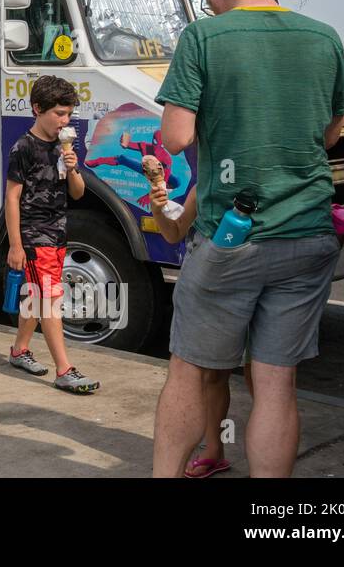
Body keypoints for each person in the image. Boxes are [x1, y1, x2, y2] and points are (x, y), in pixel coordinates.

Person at [152, 0, 344, 478]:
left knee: (188, 372)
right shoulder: (323, 37)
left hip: (232, 238)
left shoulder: (204, 37)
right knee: (277, 381)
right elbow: (330, 135)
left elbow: (175, 138)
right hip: (309, 234)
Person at [4, 75, 101, 394]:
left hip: (59, 233)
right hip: (35, 236)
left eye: (69, 114)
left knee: (35, 297)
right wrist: (16, 245)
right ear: (37, 109)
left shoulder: (63, 148)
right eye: (59, 113)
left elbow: (78, 192)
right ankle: (64, 369)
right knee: (50, 300)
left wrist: (72, 166)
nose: (65, 120)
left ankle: (19, 350)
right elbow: (12, 198)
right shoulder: (24, 148)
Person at [150, 185, 250, 478]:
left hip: (261, 285)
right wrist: (158, 208)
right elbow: (174, 232)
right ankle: (214, 451)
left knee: (263, 378)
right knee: (212, 375)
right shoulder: (207, 183)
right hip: (214, 288)